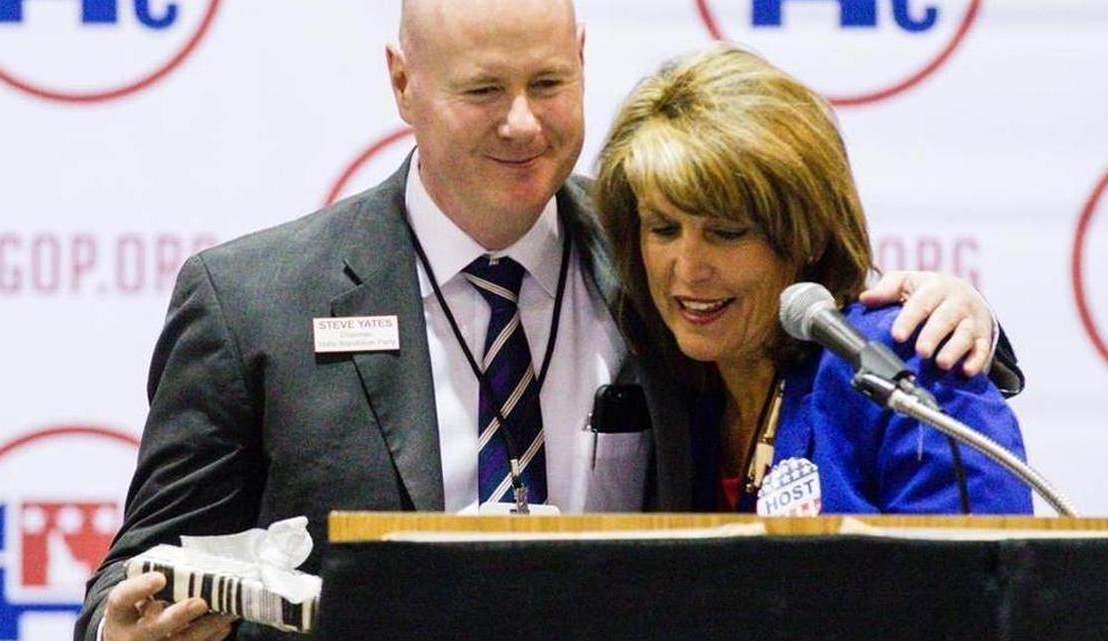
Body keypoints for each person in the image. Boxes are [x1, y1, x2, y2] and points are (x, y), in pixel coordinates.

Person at [75, 3, 1021, 640]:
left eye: (549, 84)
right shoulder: (253, 301)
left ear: (581, 67)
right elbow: (133, 574)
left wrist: (962, 323)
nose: (523, 123)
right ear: (402, 84)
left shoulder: (652, 257)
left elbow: (806, 319)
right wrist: (122, 625)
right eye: (483, 90)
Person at [594, 43, 1032, 515]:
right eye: (663, 229)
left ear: (808, 234)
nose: (688, 267)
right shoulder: (677, 394)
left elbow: (987, 579)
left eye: (726, 233)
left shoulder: (903, 369)